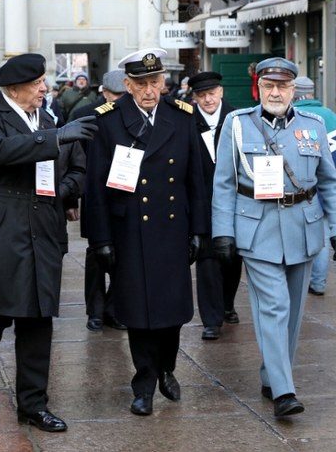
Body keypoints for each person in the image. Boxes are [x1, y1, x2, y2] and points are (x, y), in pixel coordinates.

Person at [0, 53, 94, 433]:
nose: (44, 89)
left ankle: (33, 405)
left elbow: (76, 167)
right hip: (0, 230)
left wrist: (63, 191)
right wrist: (56, 137)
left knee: (37, 318)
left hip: (42, 229)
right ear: (14, 90)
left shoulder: (48, 118)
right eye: (37, 84)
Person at [211, 57, 336, 418]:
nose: (276, 92)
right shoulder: (238, 124)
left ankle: (272, 375)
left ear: (293, 89)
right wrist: (223, 232)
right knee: (273, 307)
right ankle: (284, 392)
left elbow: (329, 183)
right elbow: (224, 183)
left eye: (283, 86)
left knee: (292, 314)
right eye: (269, 86)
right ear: (259, 88)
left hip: (303, 227)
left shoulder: (314, 125)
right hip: (256, 229)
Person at [85, 48, 208, 417]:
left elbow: (196, 182)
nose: (150, 90)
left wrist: (199, 230)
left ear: (165, 83)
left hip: (173, 229)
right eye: (141, 83)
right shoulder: (107, 121)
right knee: (138, 313)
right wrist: (101, 239)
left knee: (171, 311)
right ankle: (144, 384)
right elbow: (96, 187)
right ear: (127, 85)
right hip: (129, 231)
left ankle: (167, 367)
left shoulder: (183, 118)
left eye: (155, 82)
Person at [74, 70, 128, 332]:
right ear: (104, 93)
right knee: (97, 254)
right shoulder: (85, 114)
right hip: (96, 193)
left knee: (126, 253)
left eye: (123, 95)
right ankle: (94, 311)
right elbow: (75, 158)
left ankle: (114, 308)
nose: (119, 100)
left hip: (126, 194)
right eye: (115, 95)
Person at [188, 71, 240, 340]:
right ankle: (211, 319)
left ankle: (227, 303)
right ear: (195, 98)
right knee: (207, 261)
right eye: (202, 95)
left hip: (234, 204)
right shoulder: (185, 122)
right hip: (201, 204)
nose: (208, 99)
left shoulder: (238, 119)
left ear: (220, 92)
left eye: (212, 93)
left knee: (232, 259)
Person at [292, 76, 336, 296]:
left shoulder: (291, 116)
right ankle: (318, 283)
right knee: (323, 234)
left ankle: (298, 281)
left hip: (297, 189)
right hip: (326, 188)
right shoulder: (331, 117)